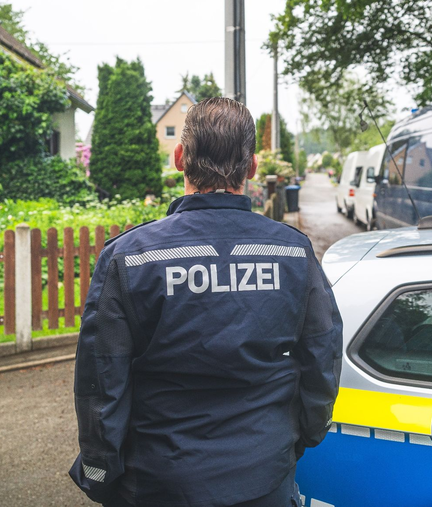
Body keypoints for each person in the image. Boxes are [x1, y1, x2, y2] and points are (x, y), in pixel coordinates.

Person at [70, 97, 343, 507]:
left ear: (180, 158)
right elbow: (322, 355)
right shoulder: (293, 253)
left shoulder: (130, 257)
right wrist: (299, 438)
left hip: (158, 482)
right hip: (264, 475)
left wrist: (100, 472)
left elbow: (101, 379)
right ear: (251, 168)